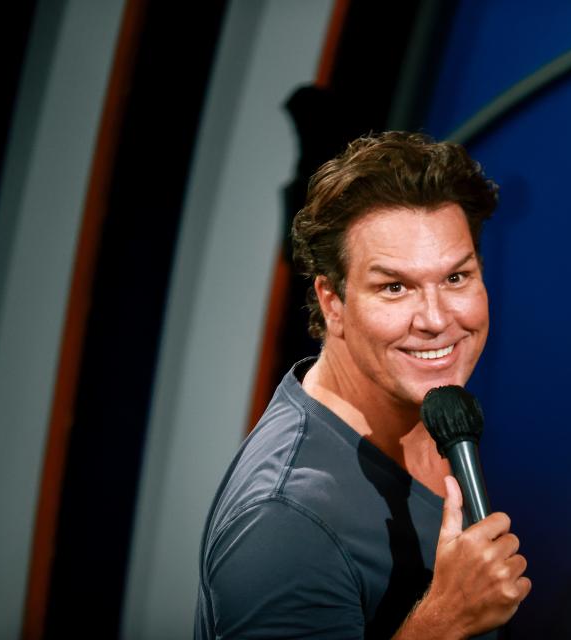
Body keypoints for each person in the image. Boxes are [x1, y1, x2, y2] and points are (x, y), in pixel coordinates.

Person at [195, 131, 530, 639]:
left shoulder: (430, 414)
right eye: (395, 287)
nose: (437, 319)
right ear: (332, 302)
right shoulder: (285, 523)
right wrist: (443, 622)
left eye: (457, 278)